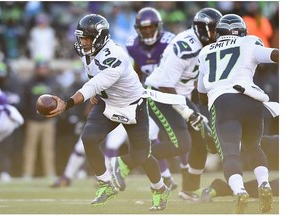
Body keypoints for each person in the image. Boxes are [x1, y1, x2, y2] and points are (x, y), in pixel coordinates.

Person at [44, 14, 170, 211]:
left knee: (141, 156)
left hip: (132, 106)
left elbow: (93, 84)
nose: (82, 42)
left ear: (100, 37)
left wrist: (67, 103)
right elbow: (96, 81)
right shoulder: (88, 51)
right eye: (81, 37)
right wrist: (101, 93)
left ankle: (160, 188)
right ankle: (105, 184)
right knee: (88, 138)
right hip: (107, 102)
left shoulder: (116, 56)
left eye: (87, 38)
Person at [113, 7, 222, 202]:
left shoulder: (206, 45)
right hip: (159, 95)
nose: (217, 35)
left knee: (202, 139)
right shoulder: (186, 47)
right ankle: (124, 162)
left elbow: (196, 79)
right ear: (203, 29)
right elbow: (165, 85)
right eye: (214, 30)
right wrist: (189, 113)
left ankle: (190, 189)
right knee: (181, 144)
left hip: (179, 95)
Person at [197, 14, 279, 213]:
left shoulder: (206, 51)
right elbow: (275, 54)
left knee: (230, 152)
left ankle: (240, 190)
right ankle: (264, 185)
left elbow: (201, 94)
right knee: (254, 147)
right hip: (251, 100)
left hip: (223, 102)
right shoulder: (249, 42)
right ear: (242, 31)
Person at [123, 6, 179, 190]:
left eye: (150, 27)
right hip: (151, 97)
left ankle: (185, 172)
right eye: (143, 28)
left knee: (182, 137)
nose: (147, 31)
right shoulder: (132, 45)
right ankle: (167, 176)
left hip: (173, 93)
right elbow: (136, 69)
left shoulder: (170, 42)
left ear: (158, 26)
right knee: (150, 136)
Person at [22, 59, 58, 180]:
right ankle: (27, 173)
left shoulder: (53, 83)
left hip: (48, 121)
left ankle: (50, 172)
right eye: (40, 68)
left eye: (44, 68)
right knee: (30, 148)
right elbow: (25, 102)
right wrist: (28, 116)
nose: (42, 70)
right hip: (33, 121)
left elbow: (58, 100)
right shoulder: (29, 83)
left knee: (48, 149)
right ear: (36, 69)